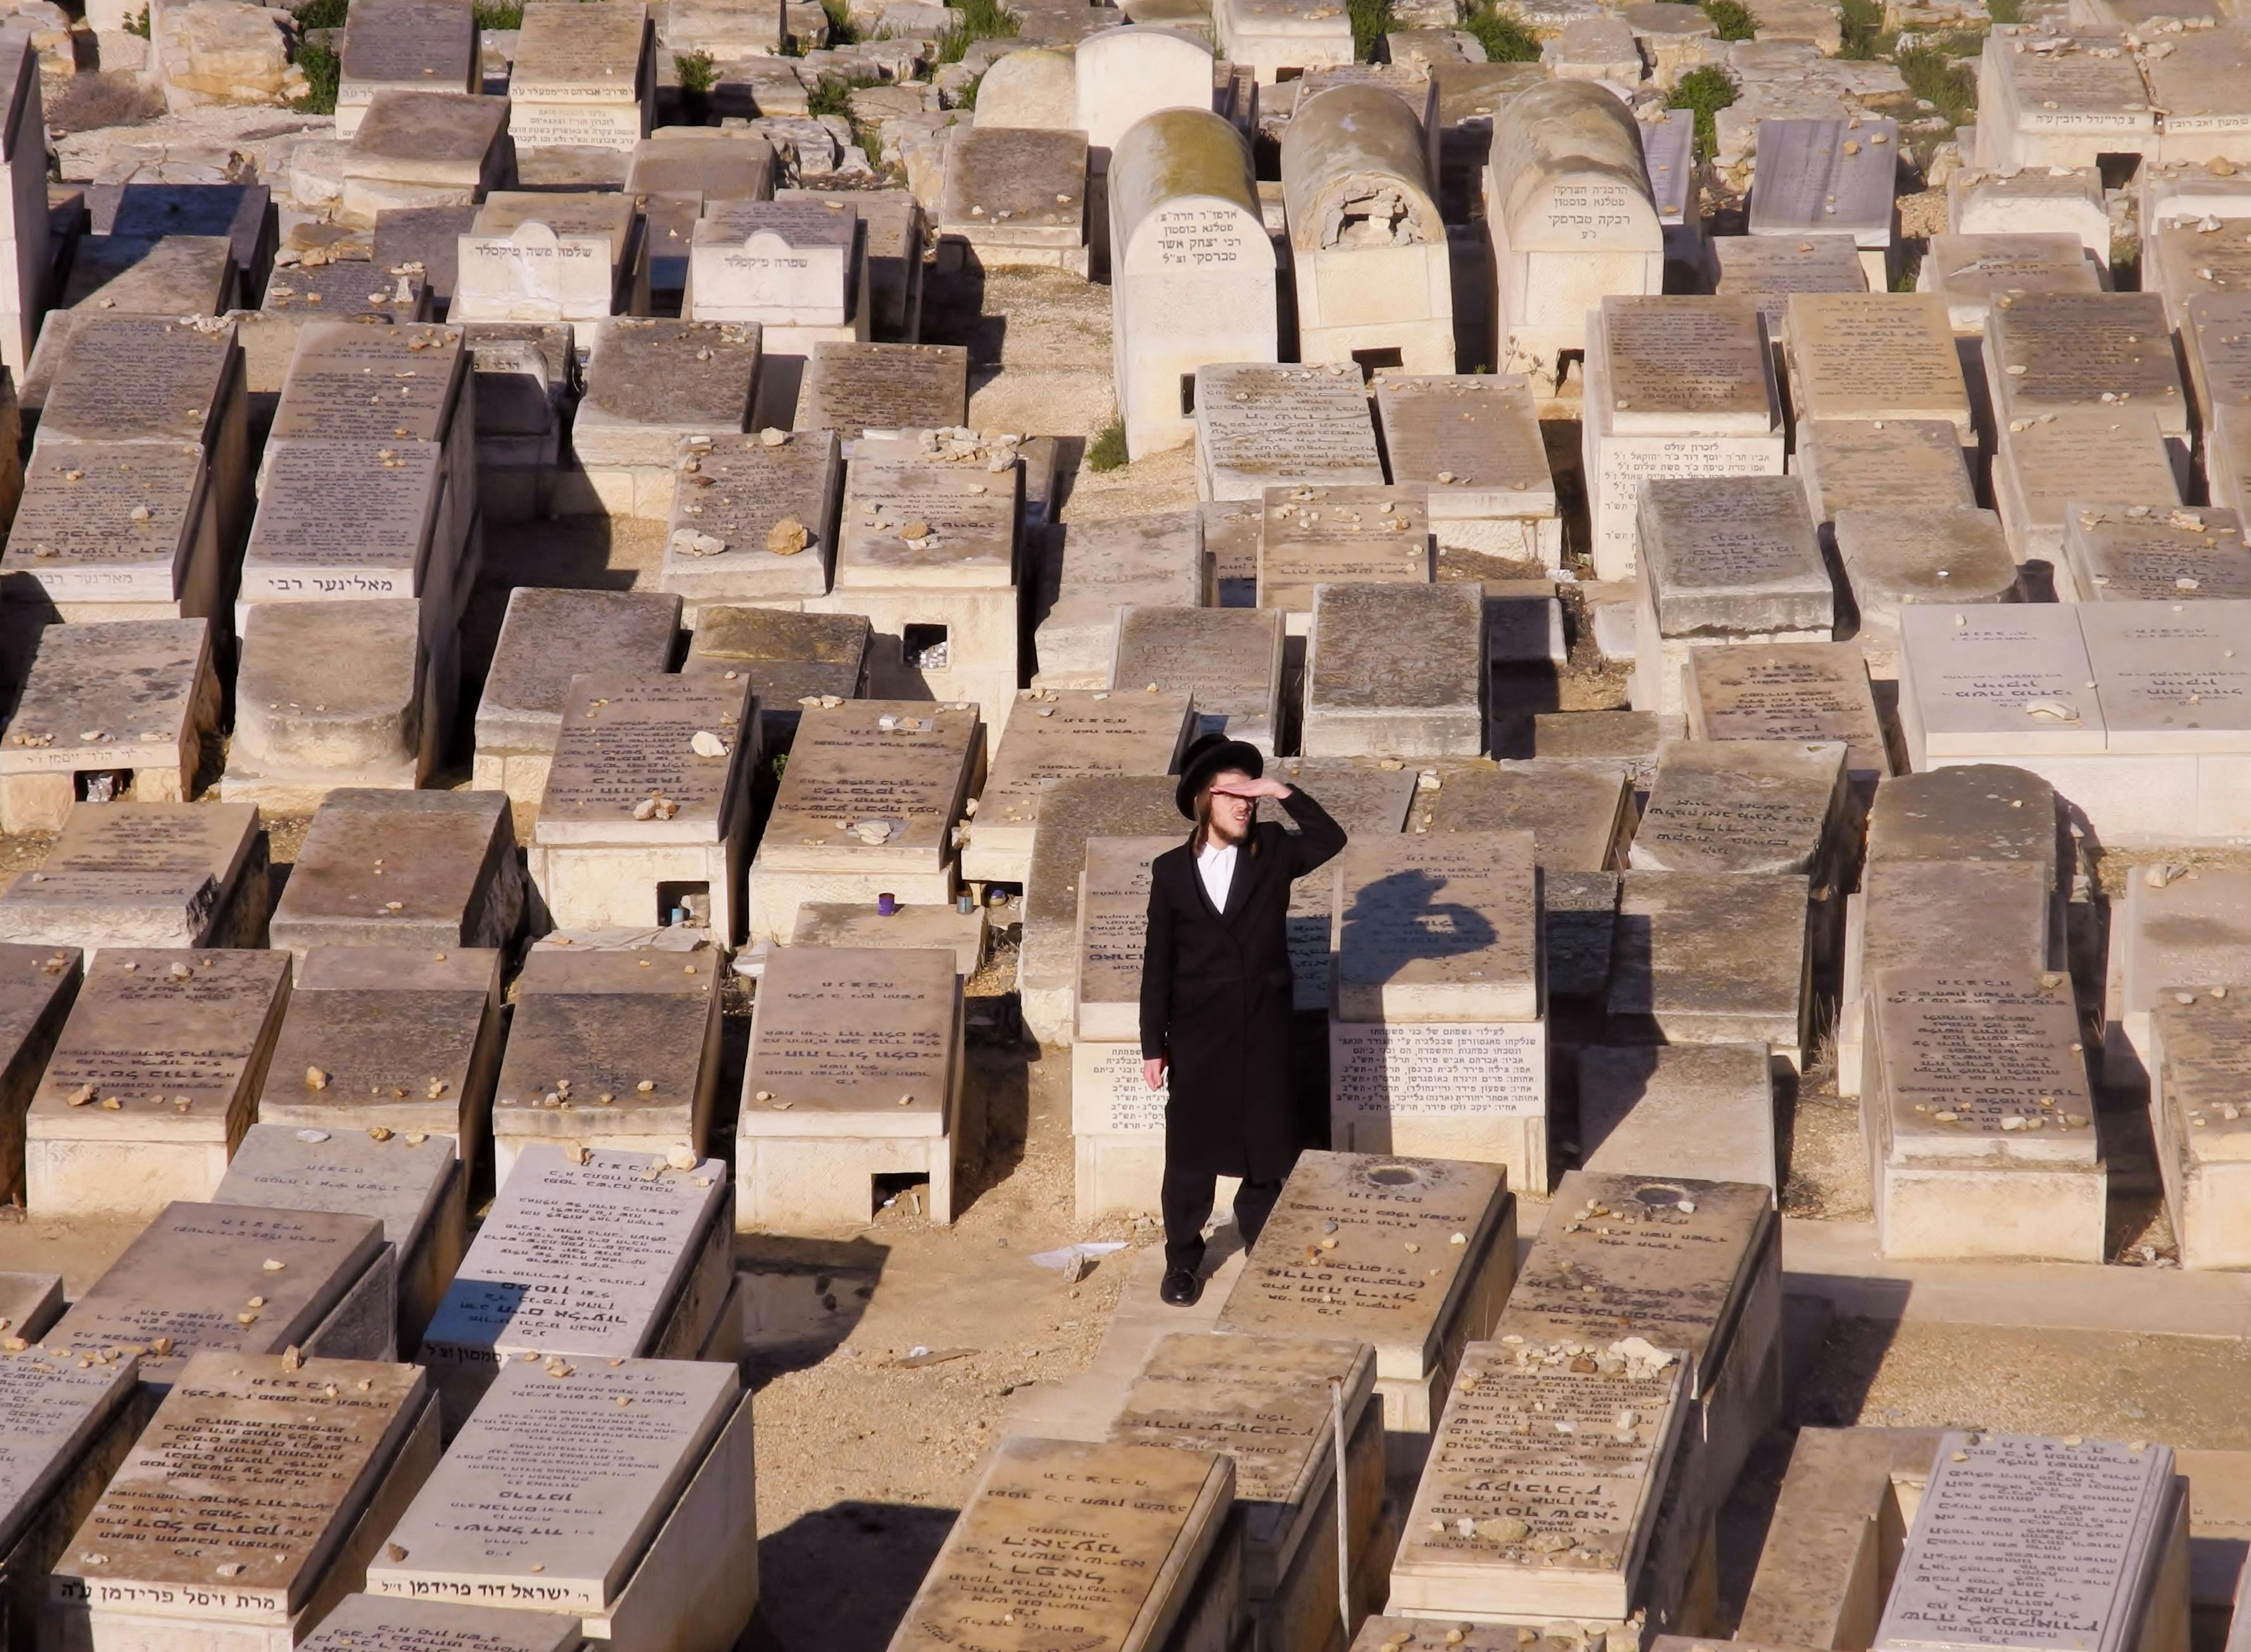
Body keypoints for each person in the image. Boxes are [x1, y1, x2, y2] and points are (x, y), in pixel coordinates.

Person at [1138, 733, 1348, 1307]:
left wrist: (1283, 790)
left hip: (1265, 1026)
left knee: (1266, 1149)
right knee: (1189, 1157)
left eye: (1251, 796)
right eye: (1235, 794)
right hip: (1198, 1033)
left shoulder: (1275, 849)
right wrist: (1151, 1045)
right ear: (1205, 799)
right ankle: (1183, 1261)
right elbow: (1158, 961)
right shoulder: (1170, 872)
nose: (1245, 804)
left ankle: (1263, 1246)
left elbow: (1332, 839)